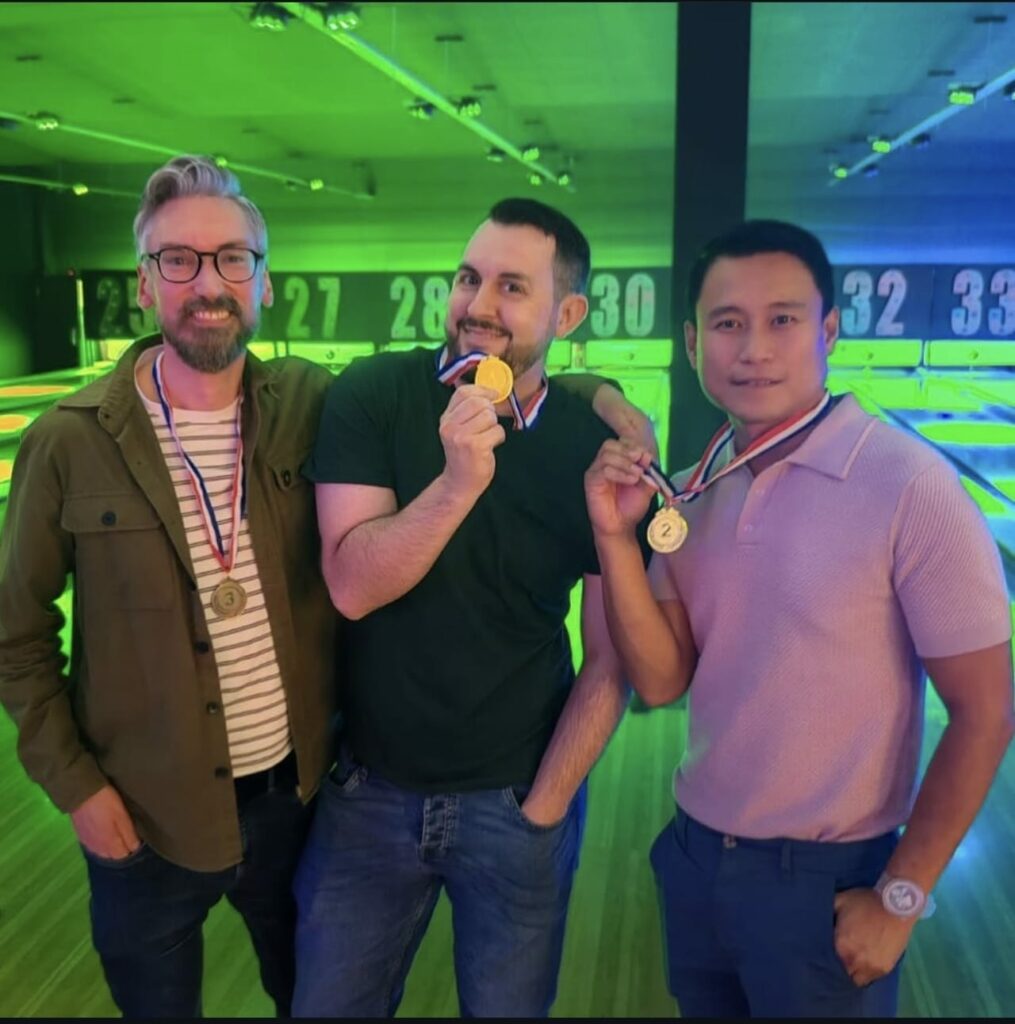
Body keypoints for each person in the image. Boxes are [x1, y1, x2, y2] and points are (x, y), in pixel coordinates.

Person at [584, 219, 1014, 1018]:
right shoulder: (691, 489)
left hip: (830, 878)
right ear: (690, 345)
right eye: (726, 323)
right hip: (695, 854)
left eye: (781, 320)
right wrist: (613, 534)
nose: (753, 348)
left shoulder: (910, 485)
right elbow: (660, 678)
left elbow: (985, 712)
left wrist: (900, 897)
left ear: (827, 332)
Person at [292, 197, 651, 1018]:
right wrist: (458, 483)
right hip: (366, 798)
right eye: (467, 277)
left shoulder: (582, 444)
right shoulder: (375, 393)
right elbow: (350, 584)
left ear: (566, 313)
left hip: (515, 806)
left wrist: (545, 807)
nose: (477, 305)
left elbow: (610, 658)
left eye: (511, 287)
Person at [0, 155, 340, 1017]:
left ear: (265, 281)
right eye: (178, 260)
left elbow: (466, 378)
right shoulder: (65, 442)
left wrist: (595, 393)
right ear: (145, 285)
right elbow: (16, 638)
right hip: (142, 822)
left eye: (232, 258)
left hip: (299, 807)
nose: (208, 282)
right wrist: (76, 790)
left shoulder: (314, 403)